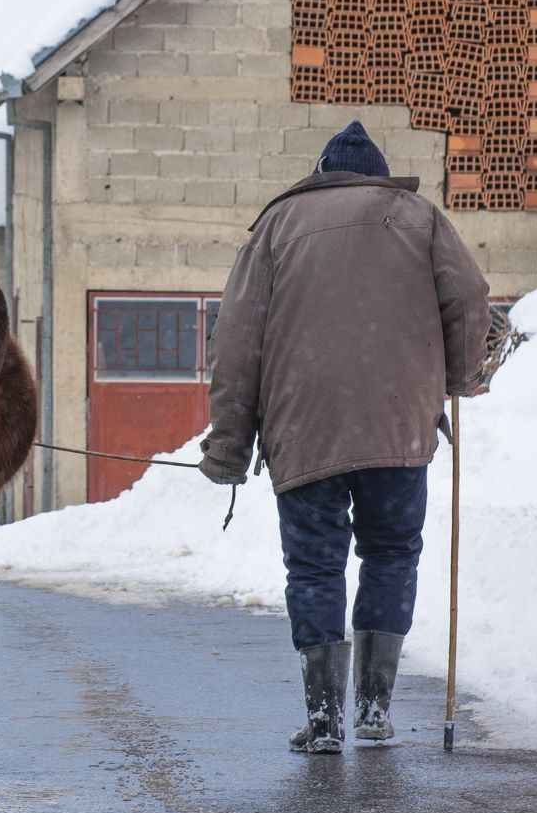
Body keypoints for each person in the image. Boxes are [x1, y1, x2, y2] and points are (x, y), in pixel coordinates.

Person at [199, 121, 490, 754]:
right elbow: (469, 297)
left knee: (315, 565)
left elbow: (237, 342)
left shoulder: (276, 226)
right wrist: (460, 377)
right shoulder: (419, 217)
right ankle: (374, 710)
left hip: (304, 425)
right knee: (390, 554)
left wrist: (228, 445)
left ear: (321, 175)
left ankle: (325, 718)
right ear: (377, 176)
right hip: (397, 424)